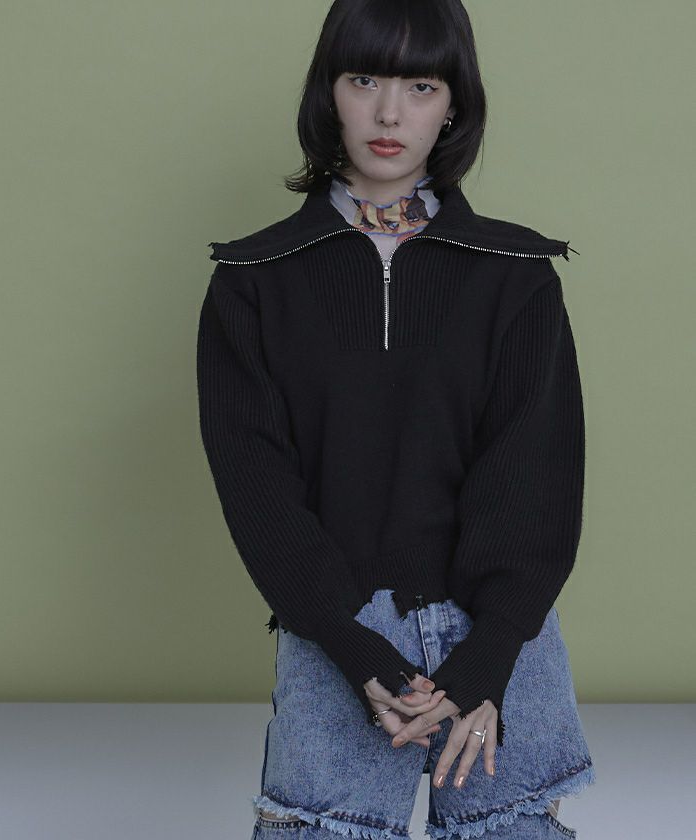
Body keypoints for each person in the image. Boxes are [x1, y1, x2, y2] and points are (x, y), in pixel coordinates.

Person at [196, 1, 596, 837]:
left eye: (421, 86)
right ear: (328, 93)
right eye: (363, 79)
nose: (388, 113)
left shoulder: (516, 274)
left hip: (500, 645)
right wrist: (348, 642)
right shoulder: (254, 280)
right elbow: (255, 481)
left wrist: (489, 658)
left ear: (452, 105)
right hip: (336, 634)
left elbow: (535, 471)